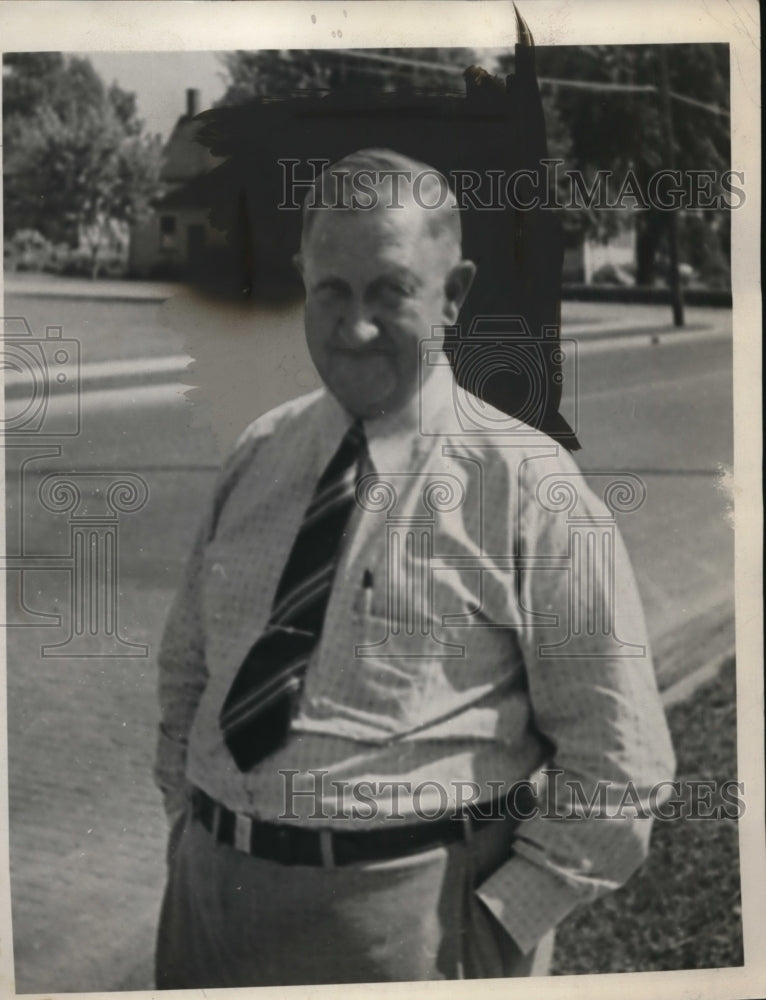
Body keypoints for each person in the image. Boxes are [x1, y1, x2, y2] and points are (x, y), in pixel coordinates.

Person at [153, 148, 675, 987]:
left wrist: (498, 925)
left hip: (408, 926)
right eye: (332, 293)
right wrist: (194, 838)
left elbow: (621, 761)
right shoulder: (259, 453)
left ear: (455, 294)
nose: (355, 327)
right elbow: (187, 676)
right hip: (208, 912)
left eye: (391, 292)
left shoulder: (526, 484)